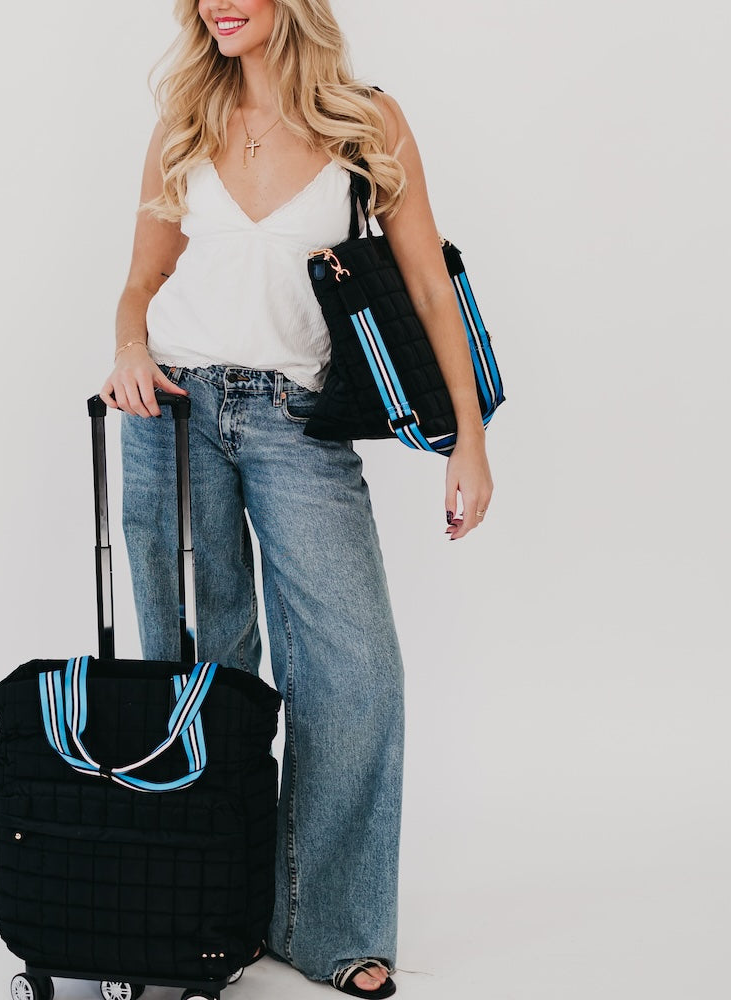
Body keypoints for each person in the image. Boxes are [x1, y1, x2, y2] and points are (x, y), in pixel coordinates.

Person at [100, 1, 494, 995]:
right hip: (172, 412)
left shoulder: (366, 120)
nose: (217, 4)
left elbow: (429, 286)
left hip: (297, 419)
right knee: (201, 670)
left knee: (356, 674)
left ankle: (327, 925)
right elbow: (142, 281)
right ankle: (205, 915)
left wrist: (470, 438)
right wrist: (130, 350)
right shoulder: (185, 117)